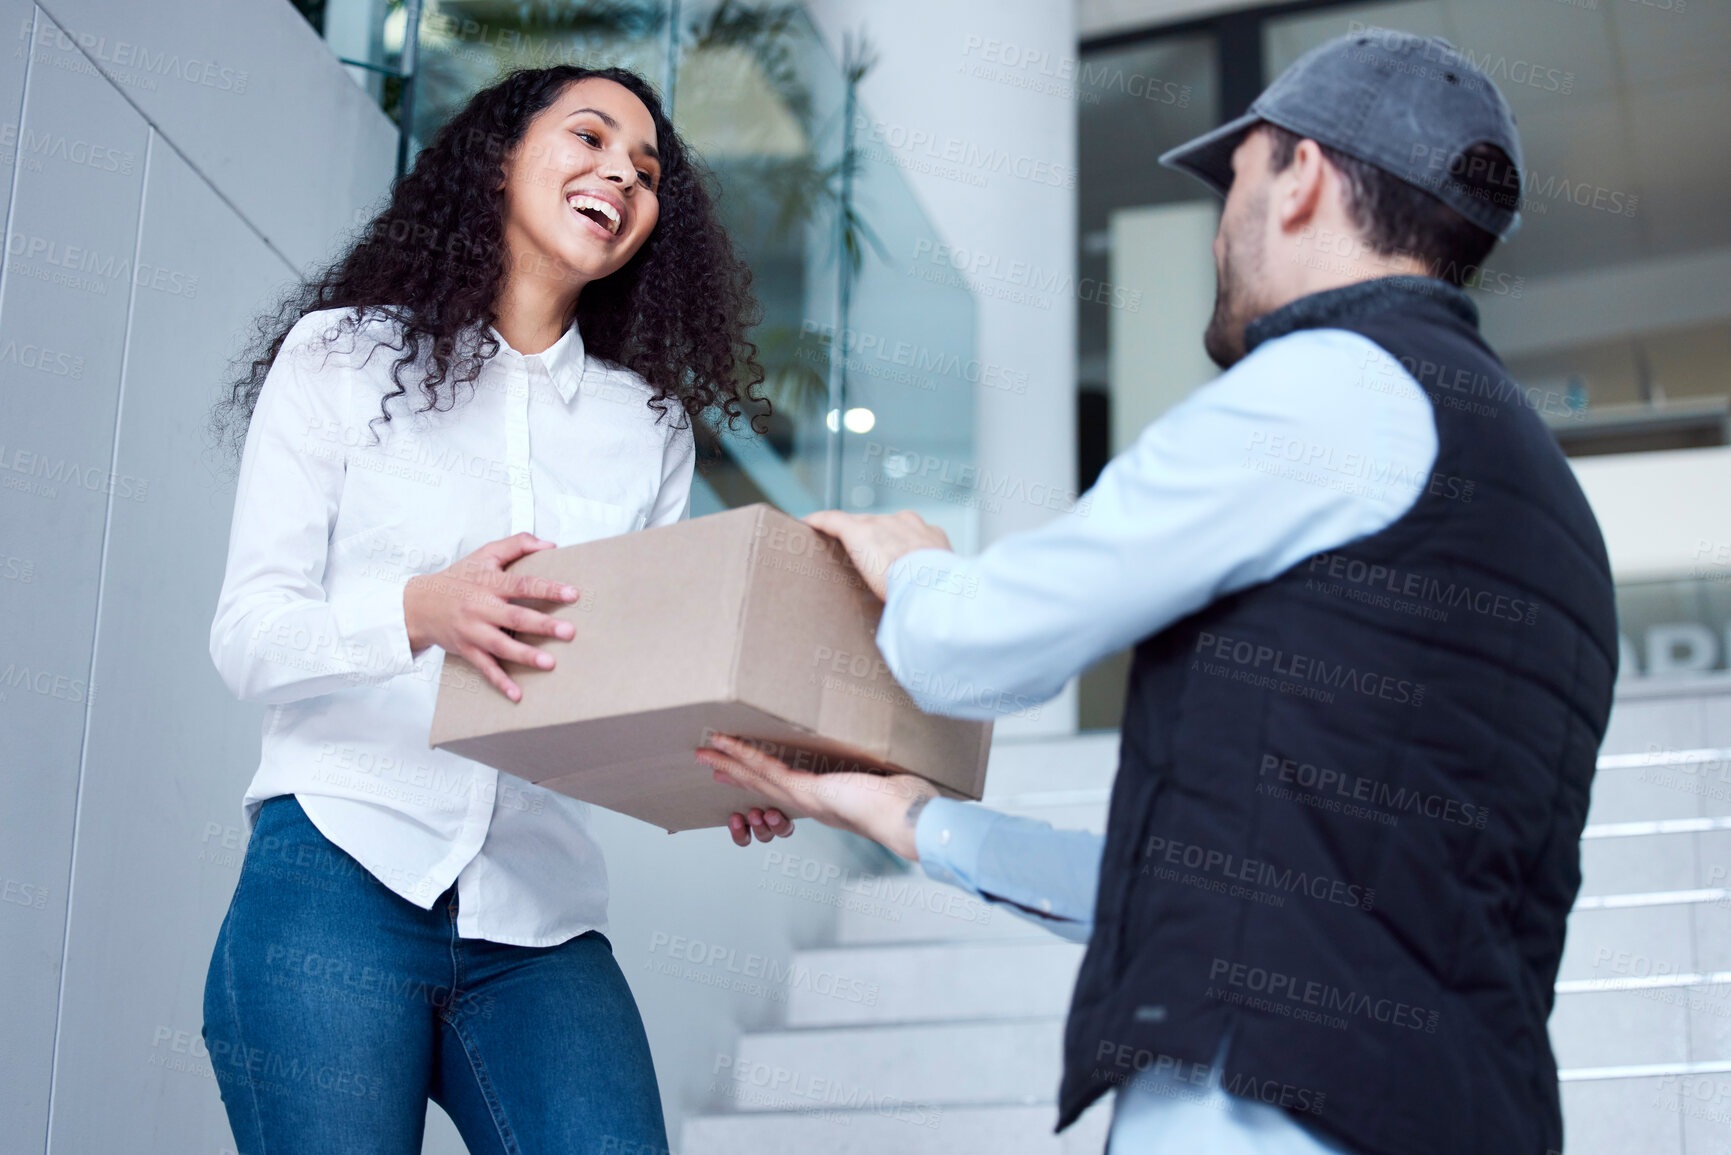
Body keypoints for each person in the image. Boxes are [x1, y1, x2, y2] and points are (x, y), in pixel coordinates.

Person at [698, 30, 1617, 1155]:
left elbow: (977, 649)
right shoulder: (1547, 506)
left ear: (1302, 178)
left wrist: (916, 564)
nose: (1220, 234)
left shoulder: (1328, 391)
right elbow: (1259, 899)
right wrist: (906, 818)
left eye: (1233, 186)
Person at [204, 65, 771, 1154]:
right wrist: (420, 610)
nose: (621, 173)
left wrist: (713, 764)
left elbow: (619, 673)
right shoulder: (341, 357)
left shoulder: (647, 426)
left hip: (540, 912)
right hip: (339, 867)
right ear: (500, 156)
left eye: (648, 172)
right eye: (591, 137)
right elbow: (247, 638)